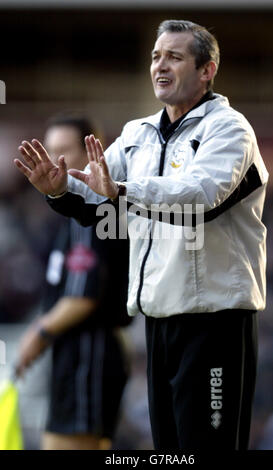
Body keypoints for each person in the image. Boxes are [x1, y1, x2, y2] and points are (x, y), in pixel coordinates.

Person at [14, 20, 269, 450]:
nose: (160, 65)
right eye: (155, 56)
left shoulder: (229, 129)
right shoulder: (138, 134)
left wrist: (123, 191)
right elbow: (97, 195)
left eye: (174, 56)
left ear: (207, 70)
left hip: (215, 322)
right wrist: (58, 190)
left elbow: (202, 196)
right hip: (158, 321)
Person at [15, 114, 131, 450]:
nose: (54, 161)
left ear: (94, 153)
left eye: (64, 150)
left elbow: (83, 296)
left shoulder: (91, 210)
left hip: (88, 352)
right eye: (50, 151)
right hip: (78, 352)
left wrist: (37, 334)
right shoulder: (67, 211)